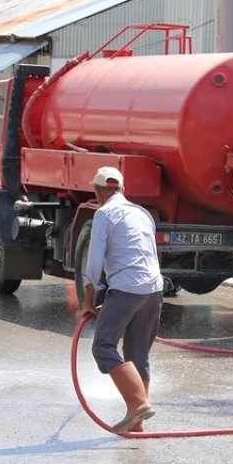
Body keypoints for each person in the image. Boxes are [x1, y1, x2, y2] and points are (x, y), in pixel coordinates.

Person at [80, 166, 164, 434]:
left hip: (127, 287)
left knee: (103, 346)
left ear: (97, 191)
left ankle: (138, 404)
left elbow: (94, 263)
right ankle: (137, 421)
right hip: (154, 289)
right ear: (122, 190)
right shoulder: (143, 213)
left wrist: (88, 301)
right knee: (137, 352)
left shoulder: (104, 213)